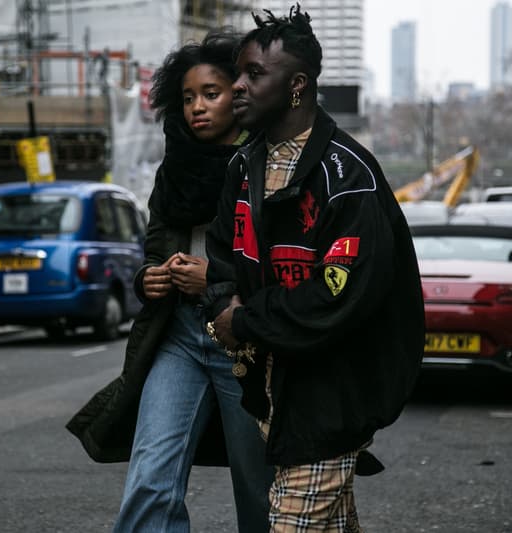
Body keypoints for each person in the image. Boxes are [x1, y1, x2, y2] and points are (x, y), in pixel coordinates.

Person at [204, 6, 425, 531]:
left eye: (254, 74)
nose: (236, 85)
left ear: (297, 85)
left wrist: (243, 321)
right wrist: (220, 305)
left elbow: (336, 297)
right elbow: (221, 256)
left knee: (289, 523)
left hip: (333, 398)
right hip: (274, 394)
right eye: (238, 72)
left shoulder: (349, 176)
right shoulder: (242, 164)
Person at [66, 31, 273, 533]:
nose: (197, 107)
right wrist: (150, 276)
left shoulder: (268, 166)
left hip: (243, 343)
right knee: (150, 478)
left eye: (211, 93)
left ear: (239, 93)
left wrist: (216, 279)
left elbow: (282, 263)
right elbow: (155, 242)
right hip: (177, 337)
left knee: (257, 487)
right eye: (187, 97)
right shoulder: (174, 165)